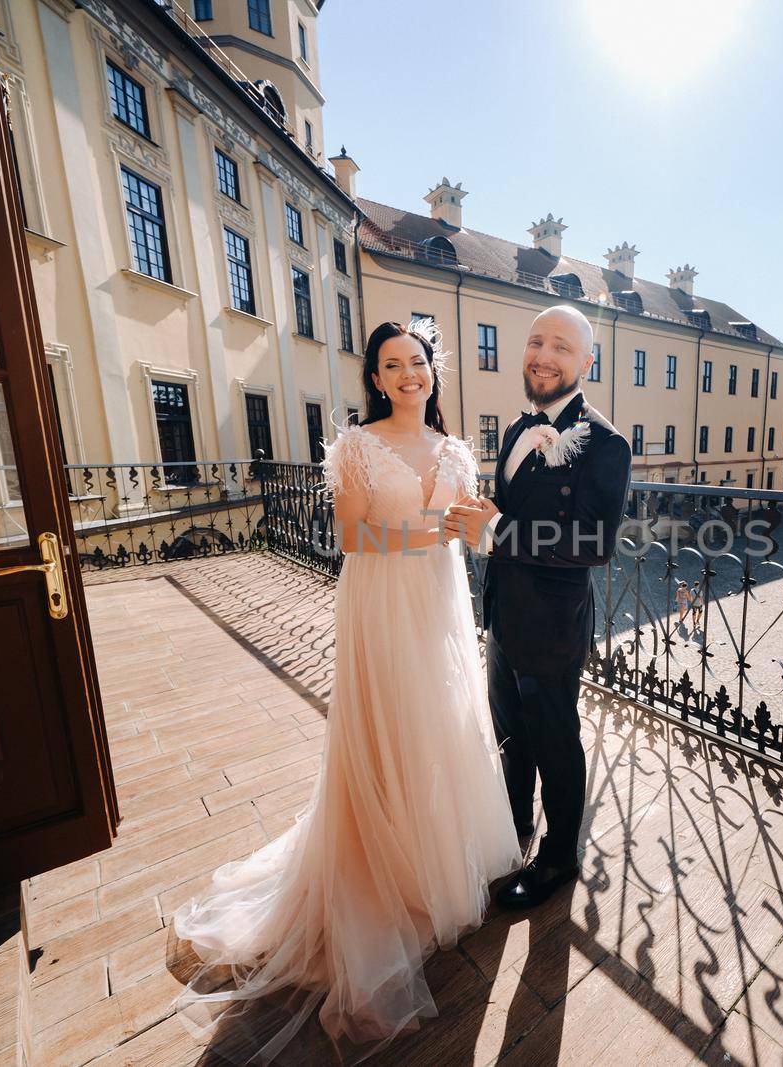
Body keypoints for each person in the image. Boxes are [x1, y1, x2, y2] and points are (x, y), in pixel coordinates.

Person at [171, 321, 521, 1060]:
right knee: (390, 728)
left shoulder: (456, 451)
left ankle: (428, 867)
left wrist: (481, 530)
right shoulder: (358, 446)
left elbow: (469, 533)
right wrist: (437, 538)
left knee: (440, 728)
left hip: (439, 604)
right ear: (376, 377)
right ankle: (380, 872)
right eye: (392, 365)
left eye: (417, 362)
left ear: (434, 370)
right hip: (381, 603)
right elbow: (354, 537)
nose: (408, 375)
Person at [445, 305, 632, 909]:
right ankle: (515, 833)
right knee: (510, 735)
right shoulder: (514, 430)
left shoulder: (606, 444)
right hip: (503, 614)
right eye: (535, 342)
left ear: (586, 362)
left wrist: (497, 525)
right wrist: (481, 519)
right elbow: (510, 515)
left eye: (561, 346)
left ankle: (558, 858)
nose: (543, 356)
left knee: (554, 739)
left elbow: (593, 544)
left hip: (552, 625)